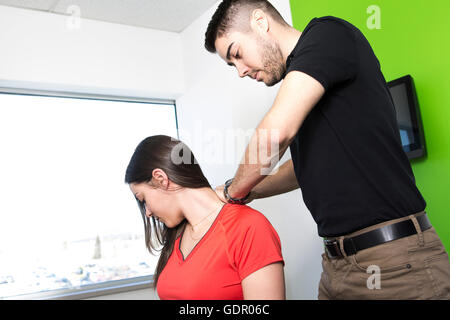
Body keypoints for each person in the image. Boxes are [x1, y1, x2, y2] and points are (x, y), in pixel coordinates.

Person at [204, 0, 450, 299]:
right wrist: (250, 192)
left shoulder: (328, 34)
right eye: (232, 65)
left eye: (237, 54)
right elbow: (298, 170)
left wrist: (232, 191)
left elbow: (275, 135)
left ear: (260, 21)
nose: (240, 71)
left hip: (395, 263)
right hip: (337, 266)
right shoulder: (308, 88)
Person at [124, 135, 285, 300]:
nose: (148, 212)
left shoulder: (248, 227)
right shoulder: (177, 234)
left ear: (160, 179)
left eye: (144, 200)